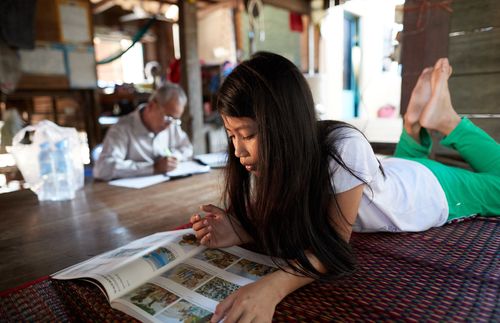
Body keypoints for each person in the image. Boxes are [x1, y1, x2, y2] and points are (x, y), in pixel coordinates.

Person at [189, 52, 500, 322]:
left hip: (429, 190)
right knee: (384, 187)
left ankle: (448, 121)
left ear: (283, 125)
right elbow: (292, 217)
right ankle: (413, 127)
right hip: (394, 173)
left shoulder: (343, 147)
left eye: (248, 135)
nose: (239, 151)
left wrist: (271, 289)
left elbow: (334, 246)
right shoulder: (278, 157)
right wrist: (243, 228)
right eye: (232, 135)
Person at [94, 83, 193, 180]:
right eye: (168, 117)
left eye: (175, 119)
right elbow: (103, 168)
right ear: (151, 106)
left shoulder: (172, 124)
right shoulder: (122, 129)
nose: (170, 125)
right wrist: (152, 168)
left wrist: (173, 158)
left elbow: (187, 148)